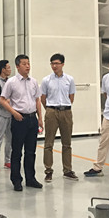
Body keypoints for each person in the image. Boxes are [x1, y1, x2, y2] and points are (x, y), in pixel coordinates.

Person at [0, 54, 43, 191]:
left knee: (31, 151)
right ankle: (16, 180)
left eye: (28, 63)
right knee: (17, 151)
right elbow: (2, 99)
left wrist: (40, 118)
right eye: (24, 64)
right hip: (19, 119)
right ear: (17, 66)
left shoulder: (33, 82)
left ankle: (31, 178)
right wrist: (14, 112)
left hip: (32, 118)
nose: (27, 66)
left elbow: (37, 100)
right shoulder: (11, 82)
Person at [40, 53, 77, 182]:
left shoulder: (69, 79)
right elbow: (43, 98)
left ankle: (67, 170)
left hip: (66, 111)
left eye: (57, 63)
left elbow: (71, 97)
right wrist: (49, 110)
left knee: (67, 143)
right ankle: (48, 170)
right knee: (48, 143)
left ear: (62, 64)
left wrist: (64, 107)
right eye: (52, 63)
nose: (54, 66)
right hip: (51, 111)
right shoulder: (46, 80)